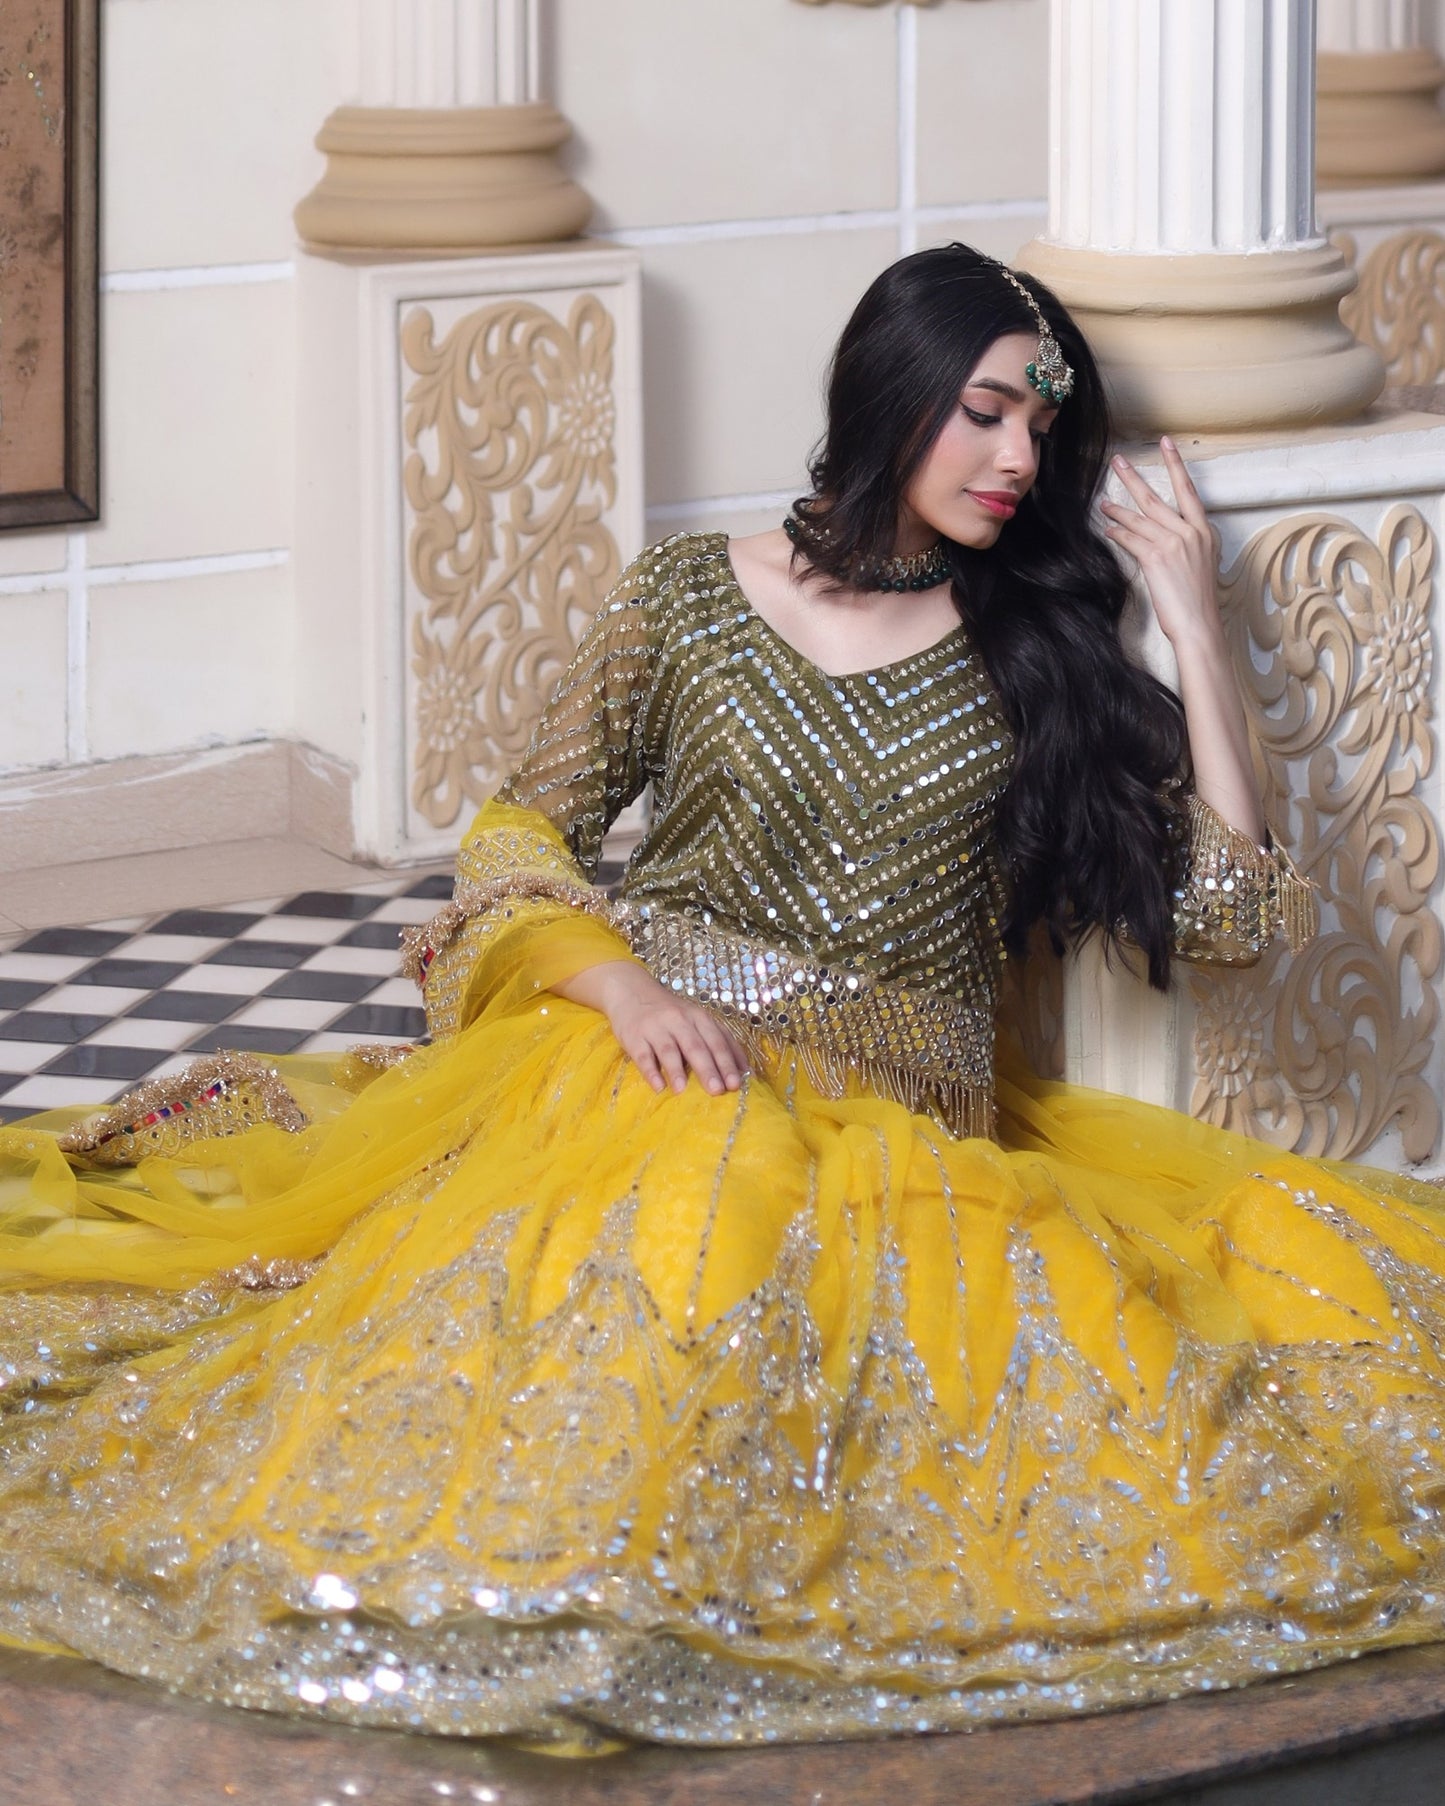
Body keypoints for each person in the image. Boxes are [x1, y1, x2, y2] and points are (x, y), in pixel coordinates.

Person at [0, 242, 1443, 1754]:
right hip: (653, 1067)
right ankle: (523, 1584)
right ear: (890, 394)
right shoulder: (691, 599)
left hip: (905, 1133)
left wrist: (1190, 619)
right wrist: (616, 983)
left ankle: (630, 1603)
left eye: (1038, 426)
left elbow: (1227, 918)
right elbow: (515, 827)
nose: (1017, 457)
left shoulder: (1038, 651)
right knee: (651, 1254)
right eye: (982, 413)